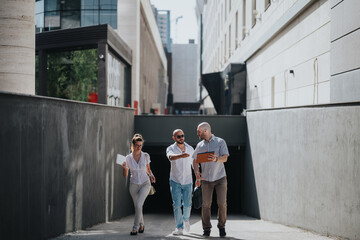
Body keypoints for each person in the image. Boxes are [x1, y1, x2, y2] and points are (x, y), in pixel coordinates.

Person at [193, 122, 229, 238]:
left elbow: (225, 158)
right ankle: (206, 229)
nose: (197, 133)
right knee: (206, 205)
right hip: (206, 180)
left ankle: (222, 226)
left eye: (198, 131)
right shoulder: (200, 145)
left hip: (220, 178)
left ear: (205, 131)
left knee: (222, 203)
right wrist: (197, 172)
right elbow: (194, 160)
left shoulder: (220, 142)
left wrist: (216, 158)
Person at [122, 134, 156, 236]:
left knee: (138, 204)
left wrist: (152, 175)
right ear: (133, 145)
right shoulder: (127, 158)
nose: (139, 147)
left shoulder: (145, 156)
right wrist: (124, 168)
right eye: (137, 145)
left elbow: (148, 169)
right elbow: (125, 175)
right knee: (138, 206)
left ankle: (135, 228)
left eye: (141, 145)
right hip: (133, 185)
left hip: (145, 183)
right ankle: (142, 225)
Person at [166, 129, 196, 235]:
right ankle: (179, 227)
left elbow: (195, 164)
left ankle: (186, 219)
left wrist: (198, 177)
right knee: (176, 205)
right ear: (174, 138)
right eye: (178, 136)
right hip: (175, 180)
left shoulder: (190, 148)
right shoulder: (171, 148)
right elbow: (170, 157)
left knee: (188, 204)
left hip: (188, 180)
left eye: (182, 135)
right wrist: (181, 156)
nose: (181, 138)